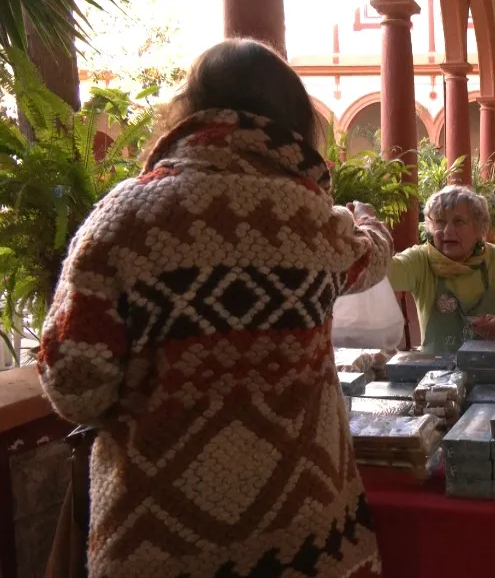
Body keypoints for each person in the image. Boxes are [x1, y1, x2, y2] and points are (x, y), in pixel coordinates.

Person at [37, 39, 385, 578]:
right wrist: (366, 221)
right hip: (311, 539)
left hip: (163, 547)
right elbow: (372, 258)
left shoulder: (123, 220)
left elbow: (76, 387)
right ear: (293, 119)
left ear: (189, 109)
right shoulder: (314, 221)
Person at [387, 185, 495, 353]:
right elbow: (383, 274)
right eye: (440, 222)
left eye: (459, 222)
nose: (448, 231)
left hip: (491, 371)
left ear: (479, 228)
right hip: (436, 375)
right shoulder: (420, 259)